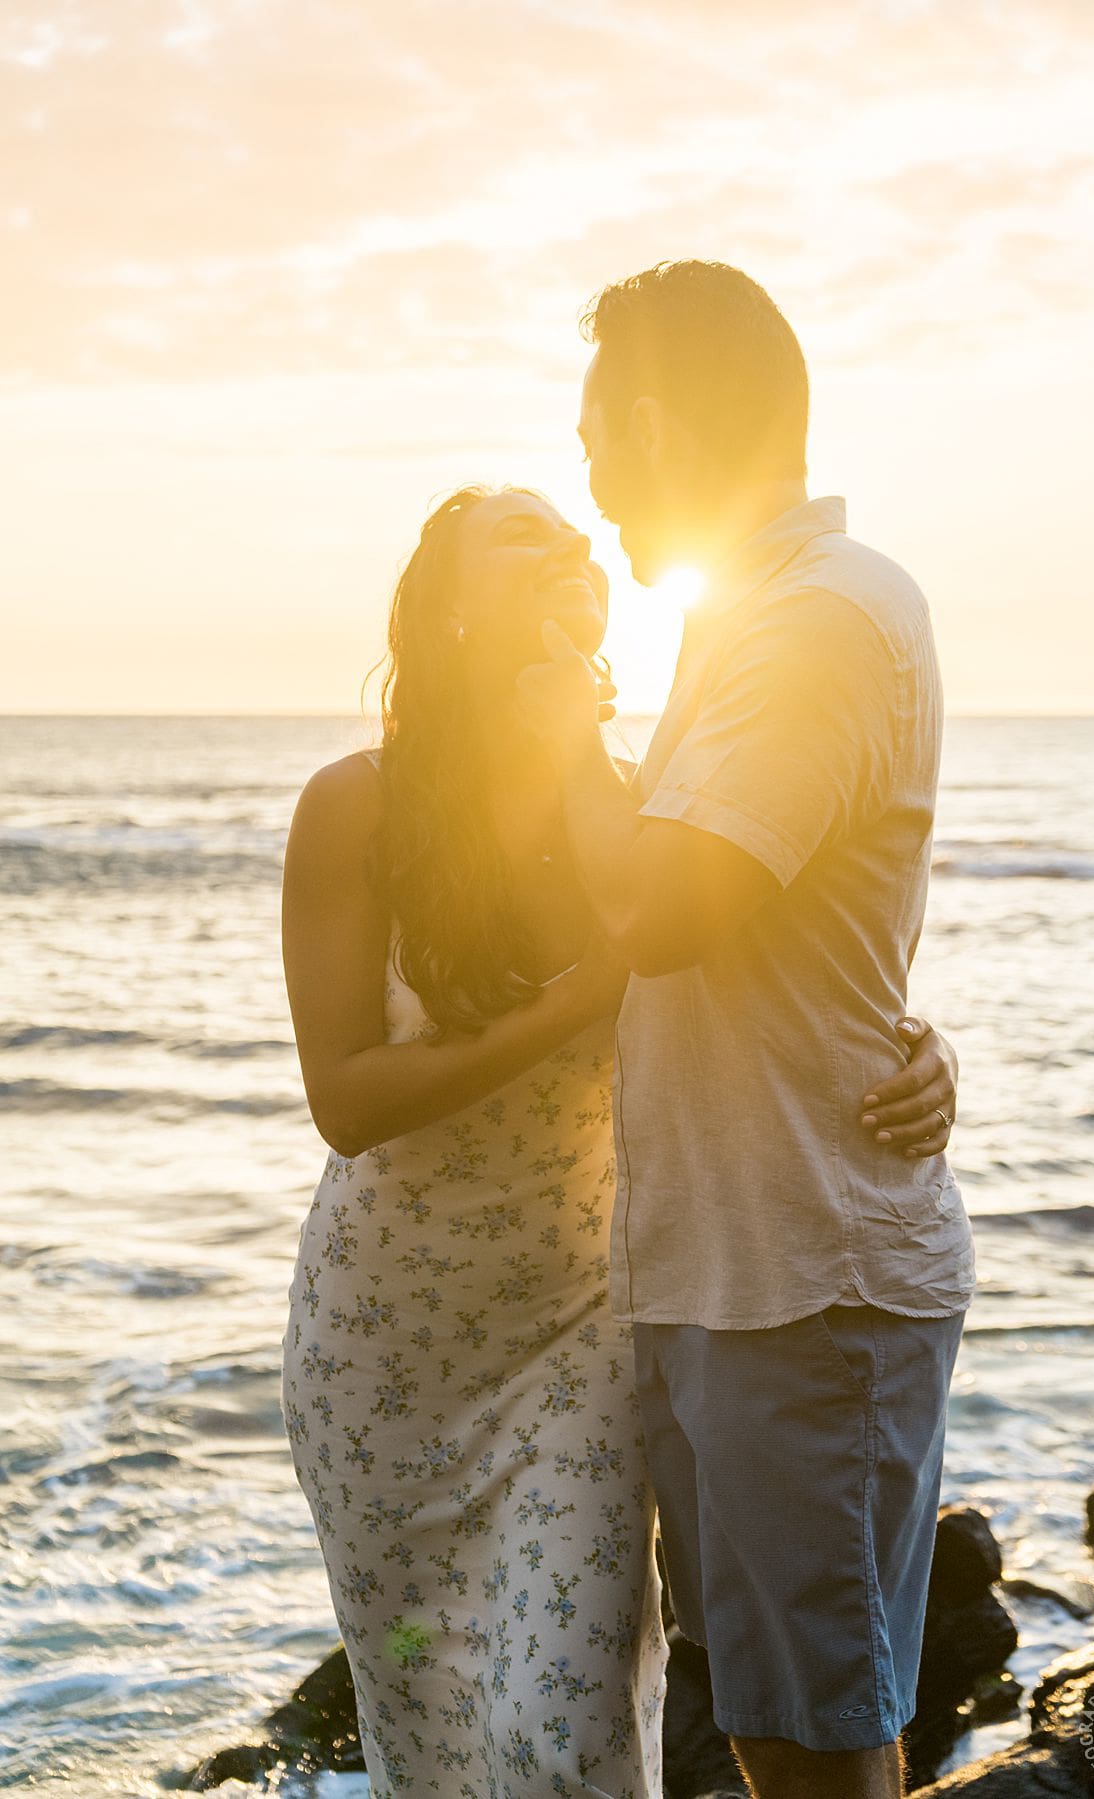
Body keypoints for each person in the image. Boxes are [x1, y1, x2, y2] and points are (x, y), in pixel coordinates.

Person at [279, 479, 962, 1797]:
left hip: (582, 1338)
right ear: (455, 618)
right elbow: (347, 1099)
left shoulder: (641, 813)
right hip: (389, 1359)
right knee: (426, 1707)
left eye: (578, 540)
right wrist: (571, 1008)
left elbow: (791, 977)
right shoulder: (353, 808)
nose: (575, 547)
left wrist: (925, 1051)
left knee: (559, 1727)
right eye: (525, 539)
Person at [515, 260, 976, 1799]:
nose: (592, 480)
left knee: (822, 1745)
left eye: (596, 439)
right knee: (778, 1725)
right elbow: (798, 934)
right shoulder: (752, 623)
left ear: (651, 420)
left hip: (803, 1282)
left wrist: (556, 731)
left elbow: (663, 912)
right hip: (732, 1269)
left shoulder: (820, 623)